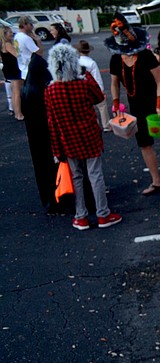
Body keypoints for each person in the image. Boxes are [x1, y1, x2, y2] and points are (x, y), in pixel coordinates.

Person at [105, 12, 160, 195]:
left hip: (157, 104)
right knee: (144, 143)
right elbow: (114, 84)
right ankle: (156, 181)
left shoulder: (145, 56)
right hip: (136, 107)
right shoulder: (115, 59)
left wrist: (159, 104)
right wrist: (115, 105)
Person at [45, 44, 122, 230]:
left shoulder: (50, 91)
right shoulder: (83, 84)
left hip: (68, 139)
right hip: (89, 135)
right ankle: (103, 214)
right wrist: (85, 73)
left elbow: (52, 123)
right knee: (95, 175)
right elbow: (98, 97)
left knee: (76, 177)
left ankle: (81, 216)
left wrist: (56, 150)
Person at [21, 51, 65, 213]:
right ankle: (58, 197)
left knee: (42, 169)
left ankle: (49, 199)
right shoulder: (41, 90)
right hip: (47, 136)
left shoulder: (28, 89)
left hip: (35, 137)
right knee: (52, 168)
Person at [75, 40, 111, 131]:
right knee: (102, 106)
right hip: (92, 87)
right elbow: (97, 77)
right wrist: (101, 90)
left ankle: (94, 124)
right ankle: (106, 125)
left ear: (79, 51)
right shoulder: (92, 63)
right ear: (89, 51)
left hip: (80, 88)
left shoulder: (76, 62)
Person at [2, 24, 24, 120]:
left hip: (9, 69)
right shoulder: (7, 44)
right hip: (13, 69)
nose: (12, 34)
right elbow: (17, 55)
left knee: (15, 92)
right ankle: (18, 114)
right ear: (5, 34)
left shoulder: (3, 44)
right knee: (17, 92)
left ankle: (17, 111)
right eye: (10, 32)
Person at [14, 15, 43, 82]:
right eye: (31, 24)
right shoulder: (26, 38)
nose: (32, 27)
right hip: (31, 70)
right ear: (25, 25)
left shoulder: (17, 36)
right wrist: (38, 41)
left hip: (23, 69)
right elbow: (39, 53)